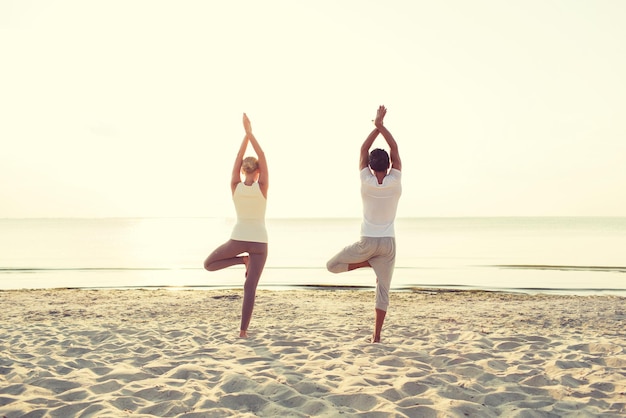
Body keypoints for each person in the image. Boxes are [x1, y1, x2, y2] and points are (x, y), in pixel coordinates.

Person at [326, 105, 402, 343]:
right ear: (388, 166)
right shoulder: (395, 180)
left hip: (367, 242)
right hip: (388, 244)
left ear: (370, 167)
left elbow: (363, 149)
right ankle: (376, 336)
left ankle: (367, 263)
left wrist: (375, 127)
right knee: (383, 291)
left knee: (332, 265)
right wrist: (382, 126)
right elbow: (395, 148)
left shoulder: (365, 180)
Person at [204, 113, 268, 338]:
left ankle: (242, 260)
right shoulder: (263, 186)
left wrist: (245, 135)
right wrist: (251, 134)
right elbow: (261, 154)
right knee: (250, 288)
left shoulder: (234, 185)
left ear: (242, 171)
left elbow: (239, 156)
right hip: (260, 241)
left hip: (239, 237)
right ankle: (243, 331)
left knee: (209, 264)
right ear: (258, 171)